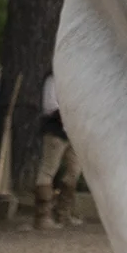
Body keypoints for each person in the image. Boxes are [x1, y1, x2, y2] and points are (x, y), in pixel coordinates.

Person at [34, 71, 83, 230]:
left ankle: (63, 212)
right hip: (56, 130)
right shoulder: (53, 80)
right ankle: (43, 215)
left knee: (74, 172)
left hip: (74, 131)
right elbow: (51, 106)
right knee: (48, 170)